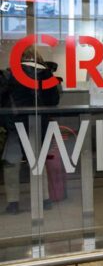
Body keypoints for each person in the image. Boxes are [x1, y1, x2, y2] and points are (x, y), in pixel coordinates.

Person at [1, 47, 61, 214]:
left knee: (11, 164)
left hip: (15, 126)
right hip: (37, 125)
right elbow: (54, 100)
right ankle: (44, 198)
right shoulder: (45, 74)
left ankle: (13, 202)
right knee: (37, 162)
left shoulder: (9, 75)